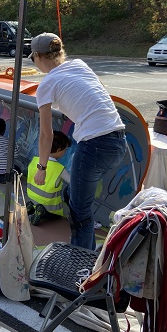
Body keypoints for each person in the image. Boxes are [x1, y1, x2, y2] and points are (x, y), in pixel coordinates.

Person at [30, 32, 126, 250]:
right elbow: (96, 93)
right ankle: (88, 254)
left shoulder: (47, 84)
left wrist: (42, 167)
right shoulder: (80, 65)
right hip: (119, 142)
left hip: (94, 144)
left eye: (34, 59)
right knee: (72, 195)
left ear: (39, 56)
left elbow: (46, 134)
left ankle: (81, 264)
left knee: (79, 214)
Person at [26, 130, 71, 226]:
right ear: (59, 150)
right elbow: (72, 182)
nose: (65, 152)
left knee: (36, 204)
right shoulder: (60, 169)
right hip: (50, 205)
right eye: (65, 150)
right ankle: (42, 213)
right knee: (56, 216)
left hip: (32, 198)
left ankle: (31, 207)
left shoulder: (35, 160)